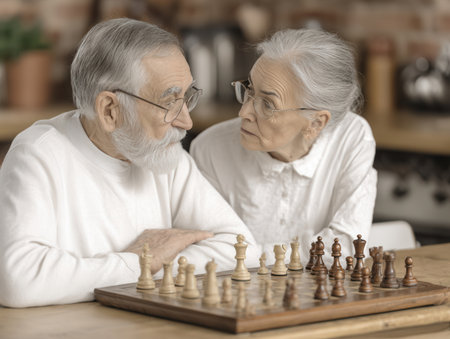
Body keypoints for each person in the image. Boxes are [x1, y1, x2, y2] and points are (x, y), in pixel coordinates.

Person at [0, 18, 259, 308]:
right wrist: (137, 263)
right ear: (110, 110)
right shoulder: (38, 153)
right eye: (170, 102)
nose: (186, 121)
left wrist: (136, 269)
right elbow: (18, 282)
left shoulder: (166, 154)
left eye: (186, 97)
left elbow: (241, 250)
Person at [191, 29, 377, 265]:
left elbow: (348, 246)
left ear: (316, 123)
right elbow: (211, 252)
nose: (244, 112)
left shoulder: (352, 138)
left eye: (268, 104)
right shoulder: (210, 149)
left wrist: (252, 253)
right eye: (249, 90)